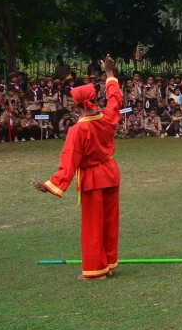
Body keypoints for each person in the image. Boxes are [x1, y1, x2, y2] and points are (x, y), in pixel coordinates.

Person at [32, 55, 122, 280]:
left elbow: (69, 162)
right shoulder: (107, 117)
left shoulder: (78, 131)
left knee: (92, 226)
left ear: (76, 104)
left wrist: (50, 185)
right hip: (110, 173)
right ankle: (108, 265)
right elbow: (115, 100)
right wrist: (110, 75)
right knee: (109, 223)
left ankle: (95, 271)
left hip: (92, 178)